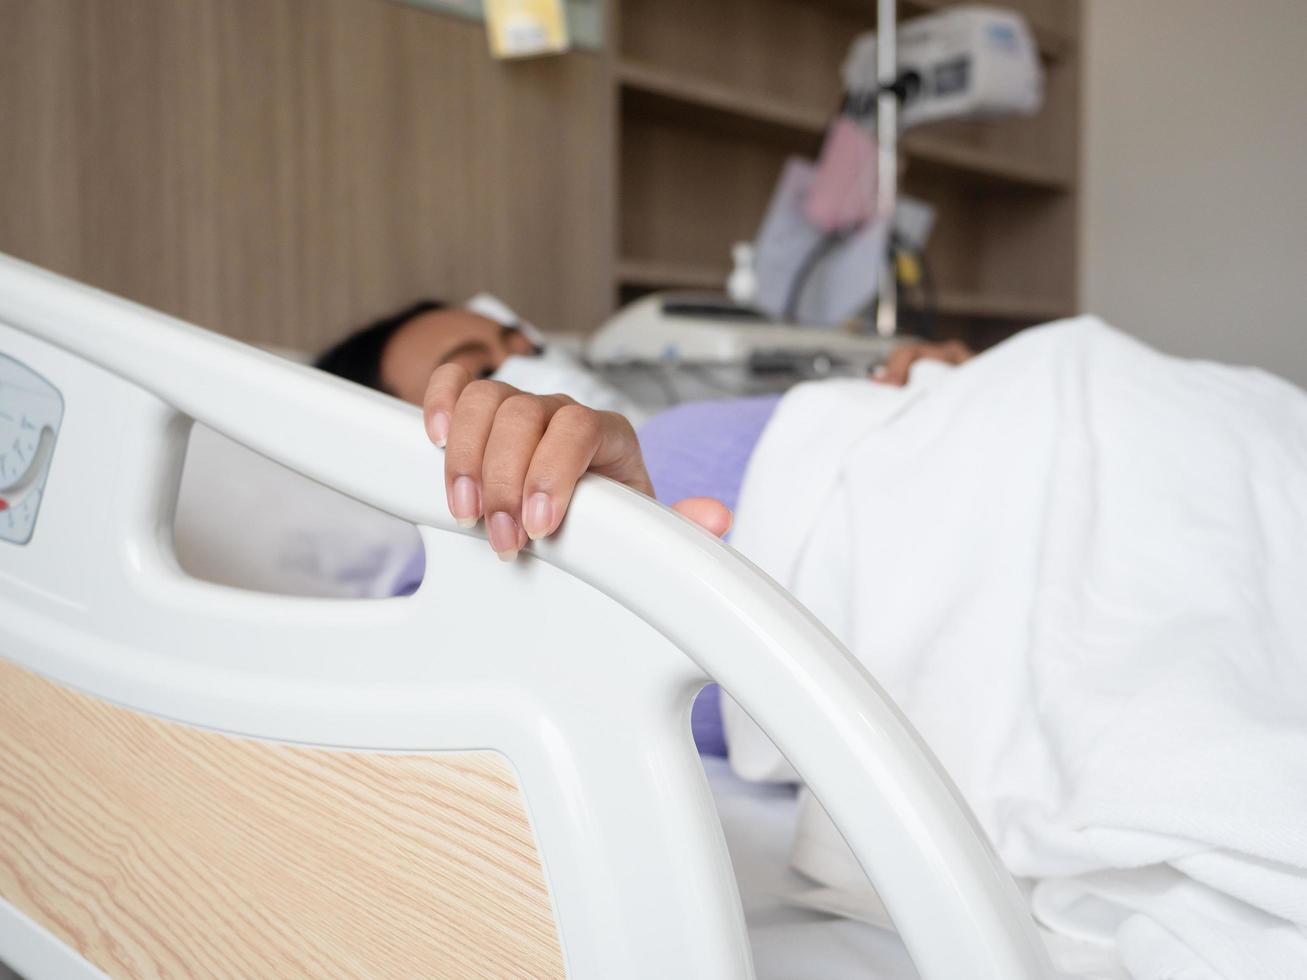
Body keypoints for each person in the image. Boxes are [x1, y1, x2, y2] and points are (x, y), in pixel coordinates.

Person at [317, 299, 974, 557]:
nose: (521, 361)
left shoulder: (657, 432)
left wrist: (946, 379)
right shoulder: (474, 552)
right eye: (476, 372)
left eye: (516, 336)